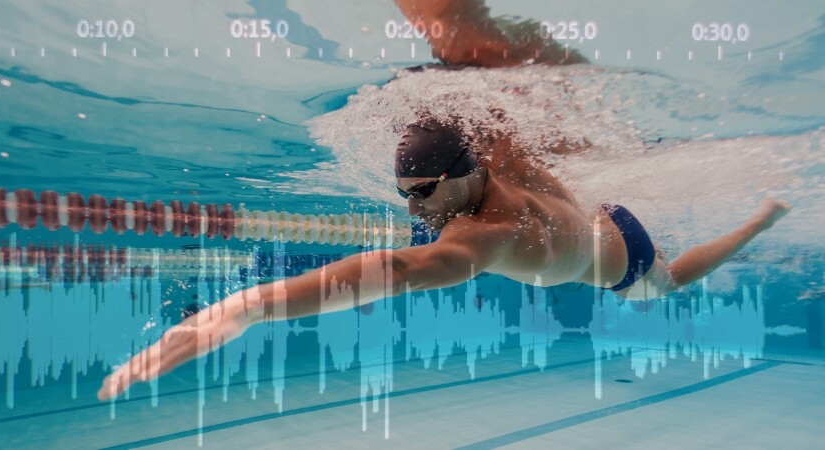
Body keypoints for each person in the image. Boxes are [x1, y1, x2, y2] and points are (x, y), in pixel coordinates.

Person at [97, 0, 789, 400]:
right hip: (600, 223)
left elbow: (390, 273)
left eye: (424, 197)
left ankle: (765, 214)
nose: (417, 215)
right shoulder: (495, 156)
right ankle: (765, 212)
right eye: (406, 199)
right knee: (472, 46)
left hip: (617, 258)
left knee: (667, 284)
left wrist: (245, 309)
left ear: (459, 178)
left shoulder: (479, 237)